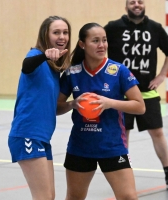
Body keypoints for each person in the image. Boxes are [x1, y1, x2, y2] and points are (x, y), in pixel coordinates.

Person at [104, 0, 168, 189]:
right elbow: (96, 46)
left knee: (157, 132)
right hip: (120, 94)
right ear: (126, 6)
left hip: (146, 93)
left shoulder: (154, 28)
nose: (136, 4)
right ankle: (123, 176)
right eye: (132, 2)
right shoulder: (113, 27)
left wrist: (161, 75)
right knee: (122, 134)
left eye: (140, 1)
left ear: (144, 5)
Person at [56, 22, 145, 200]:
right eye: (95, 41)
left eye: (104, 40)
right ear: (82, 44)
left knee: (128, 197)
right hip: (80, 146)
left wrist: (109, 103)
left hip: (112, 145)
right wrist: (73, 104)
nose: (102, 45)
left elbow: (140, 106)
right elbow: (57, 108)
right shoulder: (72, 73)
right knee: (74, 197)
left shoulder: (118, 70)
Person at [8, 16, 71, 200]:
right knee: (43, 197)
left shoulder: (54, 69)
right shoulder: (35, 56)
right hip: (27, 134)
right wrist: (44, 55)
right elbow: (26, 67)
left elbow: (54, 108)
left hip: (42, 137)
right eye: (56, 32)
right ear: (45, 35)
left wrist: (73, 104)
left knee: (48, 196)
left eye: (65, 32)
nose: (62, 37)